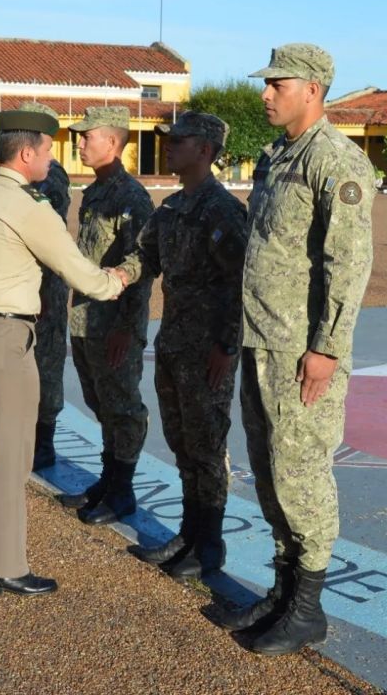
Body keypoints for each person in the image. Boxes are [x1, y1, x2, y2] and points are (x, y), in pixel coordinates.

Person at [216, 44, 376, 654]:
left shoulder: (336, 161)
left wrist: (327, 348)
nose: (265, 94)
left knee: (302, 473)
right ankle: (284, 592)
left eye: (275, 84)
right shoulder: (277, 159)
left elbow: (349, 264)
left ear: (311, 88)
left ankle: (308, 608)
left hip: (302, 352)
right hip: (261, 340)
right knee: (269, 471)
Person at [0, 109, 124, 596]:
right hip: (2, 337)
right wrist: (117, 280)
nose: (52, 158)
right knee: (8, 455)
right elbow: (77, 271)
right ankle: (3, 566)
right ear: (27, 153)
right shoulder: (28, 206)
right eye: (46, 150)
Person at [116, 112, 247, 580]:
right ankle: (189, 533)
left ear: (206, 151)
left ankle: (208, 545)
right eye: (168, 140)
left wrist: (226, 347)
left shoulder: (223, 211)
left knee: (208, 446)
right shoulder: (170, 209)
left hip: (207, 353)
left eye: (179, 140)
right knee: (182, 443)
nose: (169, 146)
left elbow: (239, 284)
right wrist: (112, 279)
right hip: (173, 347)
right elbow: (143, 260)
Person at [58, 106, 154, 526]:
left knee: (123, 408)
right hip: (85, 319)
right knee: (100, 403)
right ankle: (109, 479)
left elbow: (143, 264)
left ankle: (123, 491)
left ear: (112, 143)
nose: (79, 143)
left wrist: (128, 329)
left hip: (113, 326)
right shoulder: (95, 192)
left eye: (87, 136)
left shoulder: (131, 198)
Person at [16, 101, 72, 471]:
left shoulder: (49, 174)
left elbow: (47, 233)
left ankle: (45, 440)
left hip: (46, 285)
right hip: (22, 281)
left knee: (46, 362)